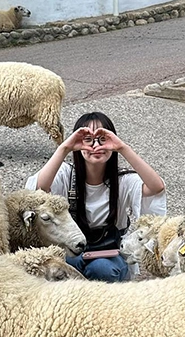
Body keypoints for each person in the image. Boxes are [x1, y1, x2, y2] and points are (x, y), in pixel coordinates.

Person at [25, 111, 166, 282]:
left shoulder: (123, 180)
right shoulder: (66, 173)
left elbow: (156, 187)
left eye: (102, 139)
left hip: (108, 254)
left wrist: (122, 148)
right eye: (88, 139)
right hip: (70, 247)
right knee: (64, 265)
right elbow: (38, 189)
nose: (95, 146)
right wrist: (64, 148)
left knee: (101, 269)